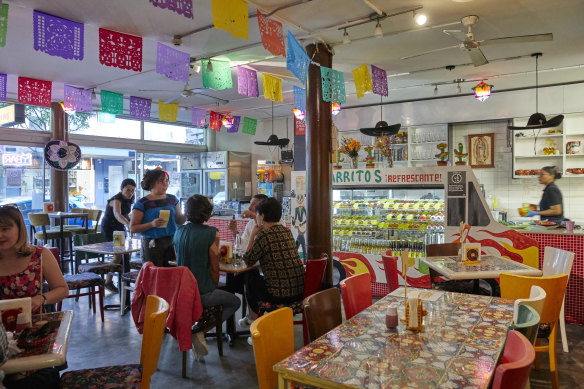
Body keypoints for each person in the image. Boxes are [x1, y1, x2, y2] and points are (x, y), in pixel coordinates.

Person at [0, 205, 68, 389]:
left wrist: (41, 299)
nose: (0, 235)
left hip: (33, 332)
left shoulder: (39, 255)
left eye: (5, 229)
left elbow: (62, 289)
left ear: (19, 228)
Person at [173, 195, 241, 357]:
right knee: (234, 301)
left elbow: (178, 261)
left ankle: (198, 327)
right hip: (202, 293)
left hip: (181, 294)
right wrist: (214, 286)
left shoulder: (178, 232)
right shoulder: (212, 233)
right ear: (207, 213)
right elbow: (214, 266)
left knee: (221, 297)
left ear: (187, 212)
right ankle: (201, 331)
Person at [241, 197, 305, 325]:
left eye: (257, 214)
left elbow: (248, 260)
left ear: (262, 216)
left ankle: (255, 325)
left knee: (249, 276)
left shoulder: (264, 235)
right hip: (299, 293)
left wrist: (253, 233)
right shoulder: (286, 232)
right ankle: (255, 321)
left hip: (278, 296)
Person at [130, 169, 186, 267]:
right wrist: (151, 224)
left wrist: (188, 215)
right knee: (154, 275)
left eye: (167, 181)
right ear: (151, 183)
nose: (165, 184)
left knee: (172, 273)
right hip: (152, 244)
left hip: (172, 242)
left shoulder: (172, 199)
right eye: (161, 181)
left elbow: (179, 220)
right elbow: (133, 228)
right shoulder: (142, 203)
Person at [100, 178, 136, 292]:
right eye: (128, 190)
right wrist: (128, 224)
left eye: (132, 190)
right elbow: (117, 214)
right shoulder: (117, 199)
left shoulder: (130, 199)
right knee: (118, 255)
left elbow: (126, 214)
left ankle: (124, 280)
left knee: (126, 254)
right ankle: (108, 282)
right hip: (110, 228)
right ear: (121, 189)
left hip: (120, 227)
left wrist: (131, 222)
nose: (130, 193)